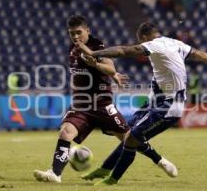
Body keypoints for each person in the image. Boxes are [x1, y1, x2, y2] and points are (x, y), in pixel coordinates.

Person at [77, 22, 207, 185]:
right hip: (155, 101)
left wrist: (93, 52)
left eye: (141, 42)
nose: (141, 45)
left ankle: (112, 179)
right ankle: (106, 168)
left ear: (144, 38)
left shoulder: (155, 45)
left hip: (168, 107)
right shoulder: (175, 43)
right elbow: (199, 54)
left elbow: (123, 50)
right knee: (127, 133)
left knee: (131, 139)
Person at [33, 15, 173, 183]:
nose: (76, 37)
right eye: (72, 33)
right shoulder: (72, 48)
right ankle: (55, 174)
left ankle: (160, 161)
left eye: (79, 32)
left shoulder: (97, 46)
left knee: (129, 139)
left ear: (87, 31)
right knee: (65, 132)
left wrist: (99, 67)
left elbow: (110, 67)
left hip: (102, 105)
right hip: (81, 105)